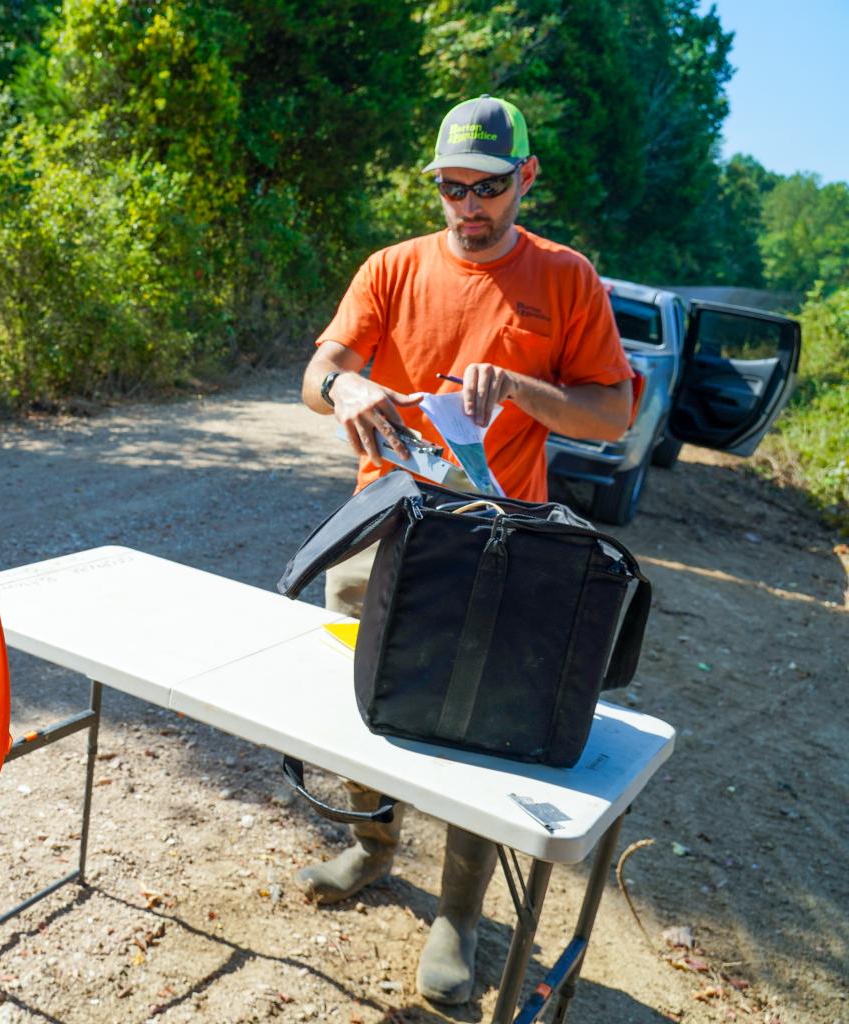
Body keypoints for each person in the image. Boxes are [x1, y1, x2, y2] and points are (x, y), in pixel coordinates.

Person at [295, 95, 634, 1005]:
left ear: (526, 176)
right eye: (451, 187)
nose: (468, 206)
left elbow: (612, 412)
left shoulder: (566, 279)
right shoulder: (393, 267)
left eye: (487, 187)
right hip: (380, 529)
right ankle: (371, 848)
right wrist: (347, 386)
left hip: (500, 545)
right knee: (365, 704)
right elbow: (316, 372)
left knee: (476, 732)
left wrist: (524, 388)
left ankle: (459, 915)